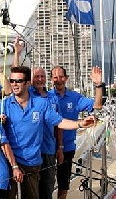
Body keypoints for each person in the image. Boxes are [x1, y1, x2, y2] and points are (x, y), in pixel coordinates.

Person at [0, 66, 96, 199]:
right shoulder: (2, 106)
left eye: (19, 81)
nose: (14, 84)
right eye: (12, 80)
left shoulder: (41, 104)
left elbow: (59, 122)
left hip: (32, 163)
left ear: (27, 83)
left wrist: (80, 123)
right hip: (9, 163)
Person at [49, 65, 103, 199]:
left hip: (67, 147)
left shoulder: (74, 97)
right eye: (55, 77)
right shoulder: (46, 97)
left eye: (61, 76)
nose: (58, 80)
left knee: (63, 184)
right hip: (47, 147)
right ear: (51, 80)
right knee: (47, 185)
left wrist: (98, 85)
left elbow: (97, 105)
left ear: (66, 78)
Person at [30, 67, 63, 199]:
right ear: (31, 79)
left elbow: (58, 124)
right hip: (32, 151)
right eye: (36, 76)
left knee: (47, 187)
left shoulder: (53, 98)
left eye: (42, 76)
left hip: (48, 149)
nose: (39, 79)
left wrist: (60, 147)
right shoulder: (28, 95)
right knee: (32, 190)